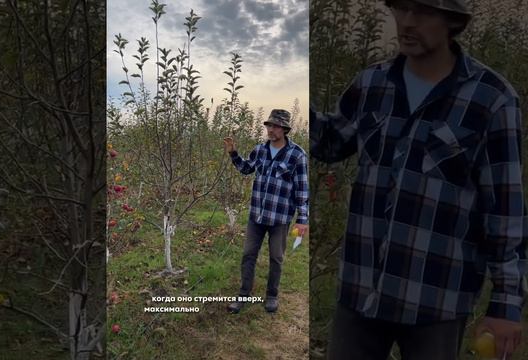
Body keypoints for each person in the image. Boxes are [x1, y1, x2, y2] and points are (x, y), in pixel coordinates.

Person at [311, 0, 527, 359]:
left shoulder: (492, 99)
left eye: (424, 11)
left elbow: (505, 210)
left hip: (435, 299)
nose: (408, 22)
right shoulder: (371, 85)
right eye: (401, 8)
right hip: (360, 293)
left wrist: (505, 304)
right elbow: (330, 142)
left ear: (451, 21)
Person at [224, 109, 309, 313]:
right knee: (248, 255)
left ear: (285, 129)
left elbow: (302, 188)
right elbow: (246, 168)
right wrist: (233, 153)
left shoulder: (297, 155)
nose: (271, 129)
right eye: (269, 125)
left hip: (280, 217)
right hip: (257, 215)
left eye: (276, 126)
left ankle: (272, 295)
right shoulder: (260, 150)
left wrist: (302, 219)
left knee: (276, 257)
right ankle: (243, 295)